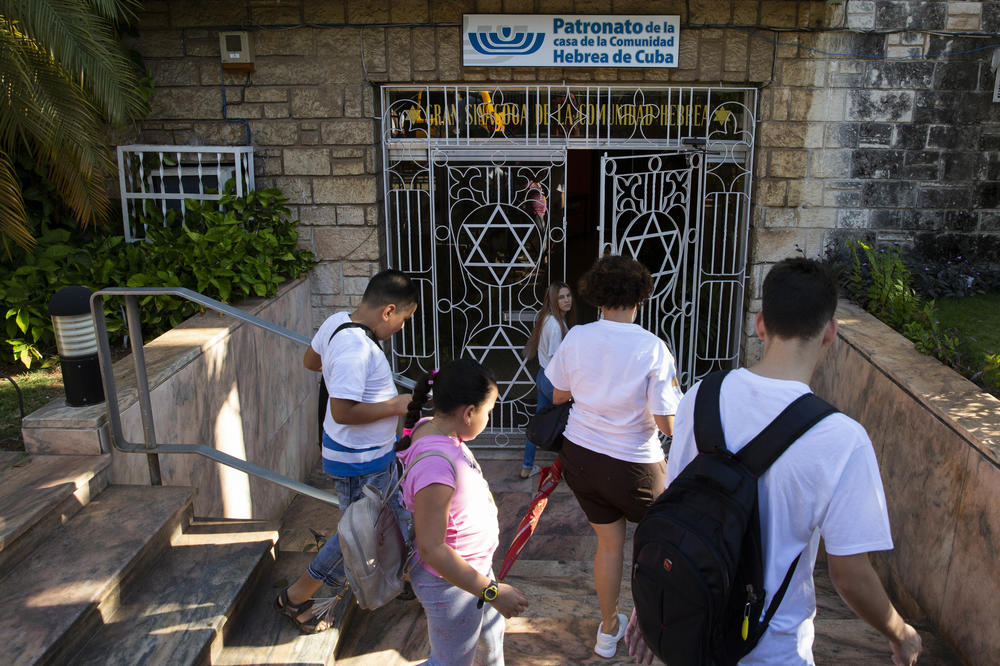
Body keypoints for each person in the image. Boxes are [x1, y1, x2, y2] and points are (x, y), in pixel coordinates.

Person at [625, 257, 922, 666]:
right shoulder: (842, 439)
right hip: (772, 648)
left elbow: (674, 507)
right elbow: (850, 576)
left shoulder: (701, 396)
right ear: (831, 333)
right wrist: (901, 634)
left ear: (761, 324)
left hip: (688, 630)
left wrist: (653, 598)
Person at [545, 255, 683, 659]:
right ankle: (652, 628)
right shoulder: (653, 348)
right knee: (657, 547)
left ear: (596, 295)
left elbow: (558, 395)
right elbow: (667, 423)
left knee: (608, 546)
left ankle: (607, 632)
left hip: (582, 458)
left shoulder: (577, 337)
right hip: (635, 464)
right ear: (641, 296)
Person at [275, 269, 418, 633]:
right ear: (388, 311)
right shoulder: (357, 349)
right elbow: (343, 411)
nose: (401, 328)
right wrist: (397, 406)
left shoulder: (337, 322)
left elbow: (311, 361)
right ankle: (300, 598)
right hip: (359, 462)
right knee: (355, 542)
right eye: (403, 319)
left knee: (396, 522)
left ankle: (408, 579)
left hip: (370, 457)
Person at [397, 359, 530, 666]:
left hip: (472, 572)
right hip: (451, 586)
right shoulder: (436, 465)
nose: (488, 417)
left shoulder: (433, 430)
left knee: (489, 648)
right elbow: (432, 548)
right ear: (469, 412)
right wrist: (493, 592)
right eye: (489, 411)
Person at [521, 281, 576, 478]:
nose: (567, 300)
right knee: (565, 425)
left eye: (568, 295)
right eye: (561, 297)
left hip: (544, 377)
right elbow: (556, 361)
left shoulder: (549, 319)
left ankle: (527, 466)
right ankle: (560, 471)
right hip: (553, 380)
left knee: (540, 422)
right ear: (553, 299)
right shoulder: (554, 325)